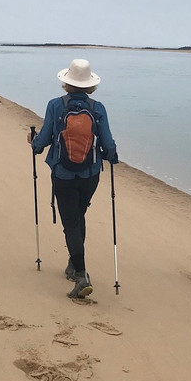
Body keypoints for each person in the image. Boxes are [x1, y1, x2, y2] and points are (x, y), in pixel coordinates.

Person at [28, 59, 118, 299]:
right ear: (90, 85)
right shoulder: (97, 108)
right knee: (78, 216)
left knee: (71, 222)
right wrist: (112, 156)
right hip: (90, 174)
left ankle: (80, 274)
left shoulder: (56, 106)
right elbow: (107, 143)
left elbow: (45, 138)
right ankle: (72, 264)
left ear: (67, 82)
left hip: (63, 173)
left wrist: (34, 144)